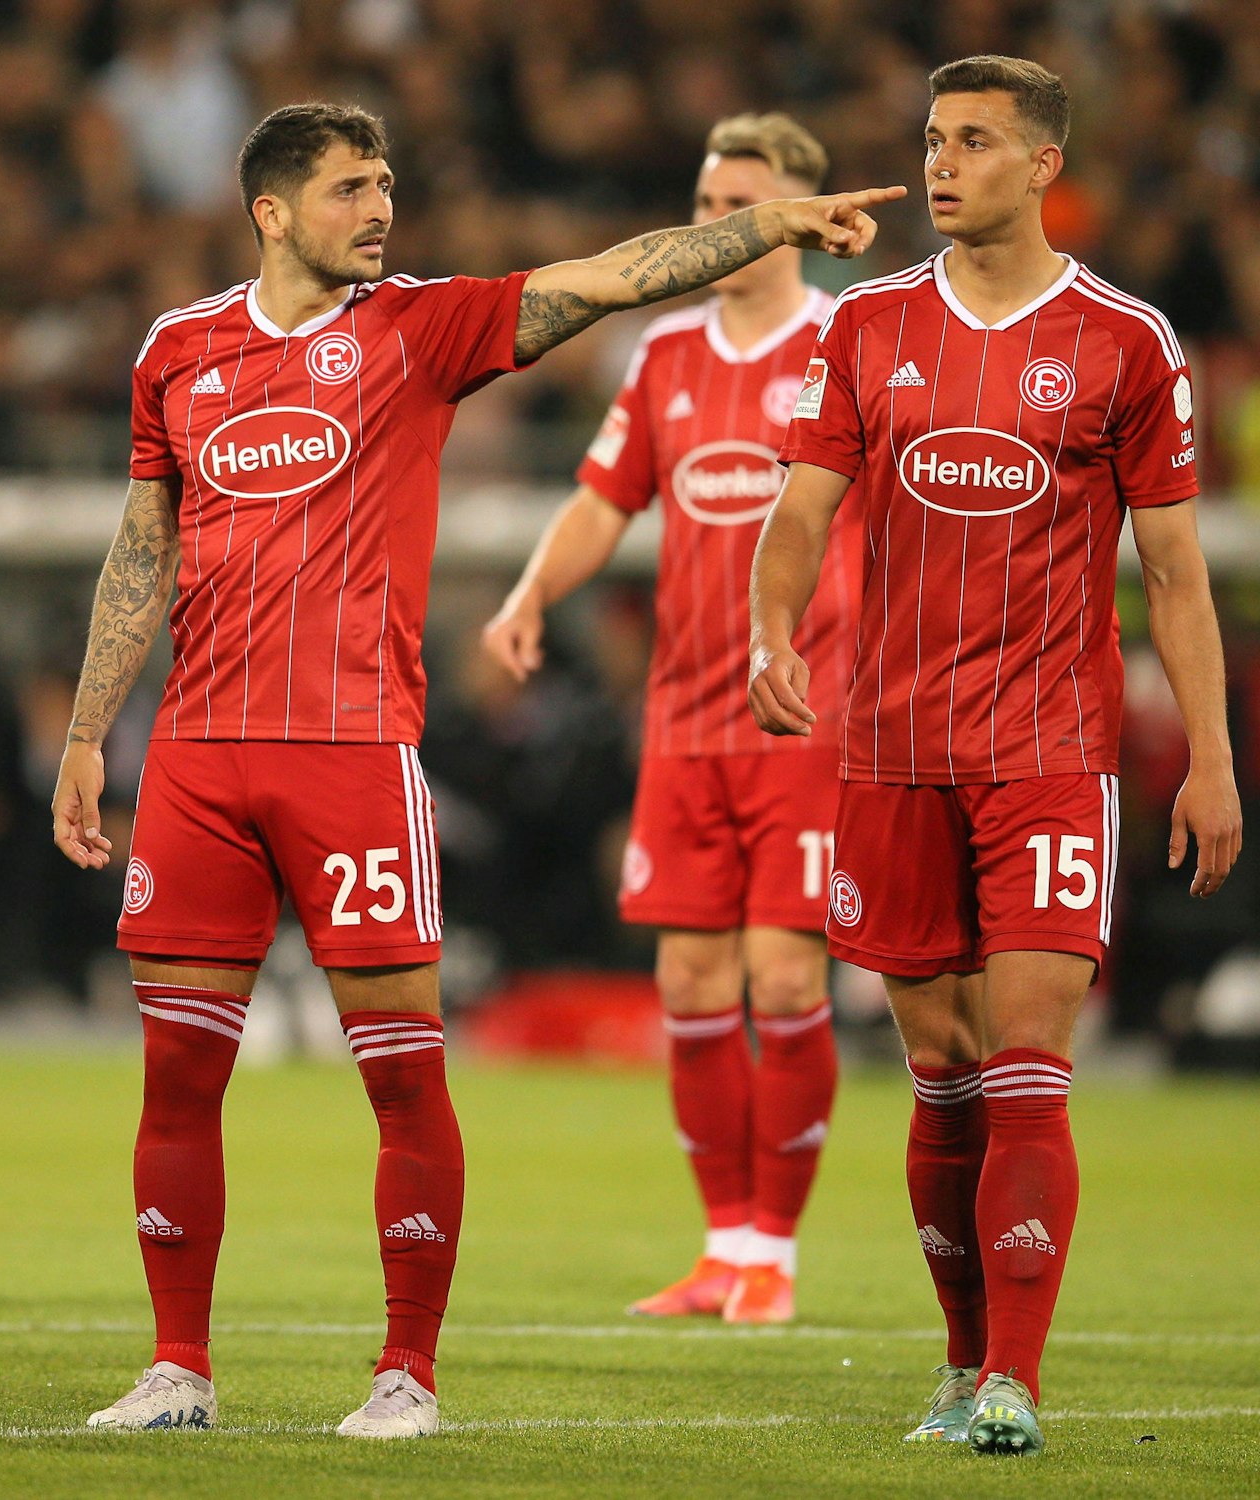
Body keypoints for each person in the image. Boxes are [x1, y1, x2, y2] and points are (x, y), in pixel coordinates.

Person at [49, 100, 900, 1438]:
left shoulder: (417, 328)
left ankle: (408, 1374)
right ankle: (178, 1369)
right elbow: (141, 545)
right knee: (177, 1073)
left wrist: (770, 224)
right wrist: (94, 731)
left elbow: (611, 275)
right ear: (272, 211)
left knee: (401, 1070)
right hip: (200, 757)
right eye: (349, 189)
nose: (381, 209)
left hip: (353, 756)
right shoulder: (178, 350)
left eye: (386, 184)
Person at [748, 56, 1241, 1456]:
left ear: (1042, 166)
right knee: (944, 1073)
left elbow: (1178, 572)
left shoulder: (1125, 342)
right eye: (932, 139)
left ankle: (1017, 1378)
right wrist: (769, 625)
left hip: (1050, 748)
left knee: (1028, 1060)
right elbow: (801, 510)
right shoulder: (866, 325)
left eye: (973, 141)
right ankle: (963, 1369)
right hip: (892, 746)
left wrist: (1211, 756)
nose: (942, 163)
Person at [484, 114, 862, 1326]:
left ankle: (778, 1260)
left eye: (738, 201)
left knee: (778, 969)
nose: (713, 223)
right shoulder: (661, 354)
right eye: (702, 202)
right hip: (685, 722)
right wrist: (532, 593)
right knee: (690, 978)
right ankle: (723, 1245)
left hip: (807, 715)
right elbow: (605, 499)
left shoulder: (847, 343)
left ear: (797, 211)